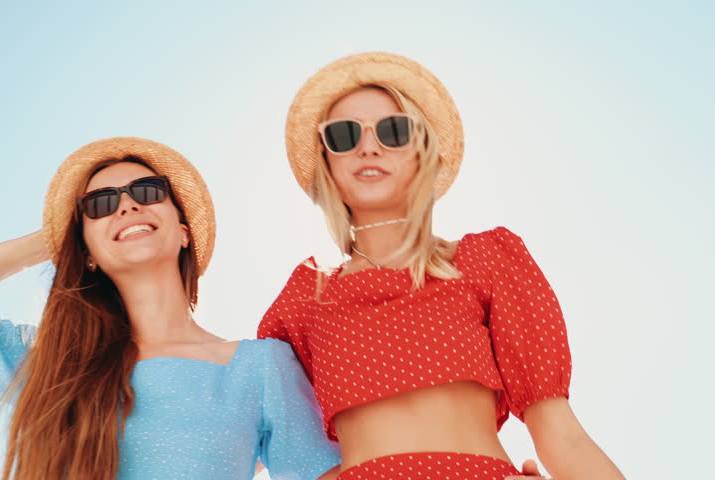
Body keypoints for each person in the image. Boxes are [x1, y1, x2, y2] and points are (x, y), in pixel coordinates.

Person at [258, 52, 624, 480]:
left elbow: (564, 435)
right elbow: (267, 444)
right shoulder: (304, 301)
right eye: (344, 135)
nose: (368, 146)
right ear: (327, 160)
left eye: (394, 131)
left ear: (423, 151)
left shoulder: (487, 261)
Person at [0, 137, 340, 480]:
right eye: (100, 205)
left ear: (183, 231)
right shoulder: (54, 364)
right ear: (85, 252)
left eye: (147, 190)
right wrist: (48, 240)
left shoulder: (262, 366)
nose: (126, 205)